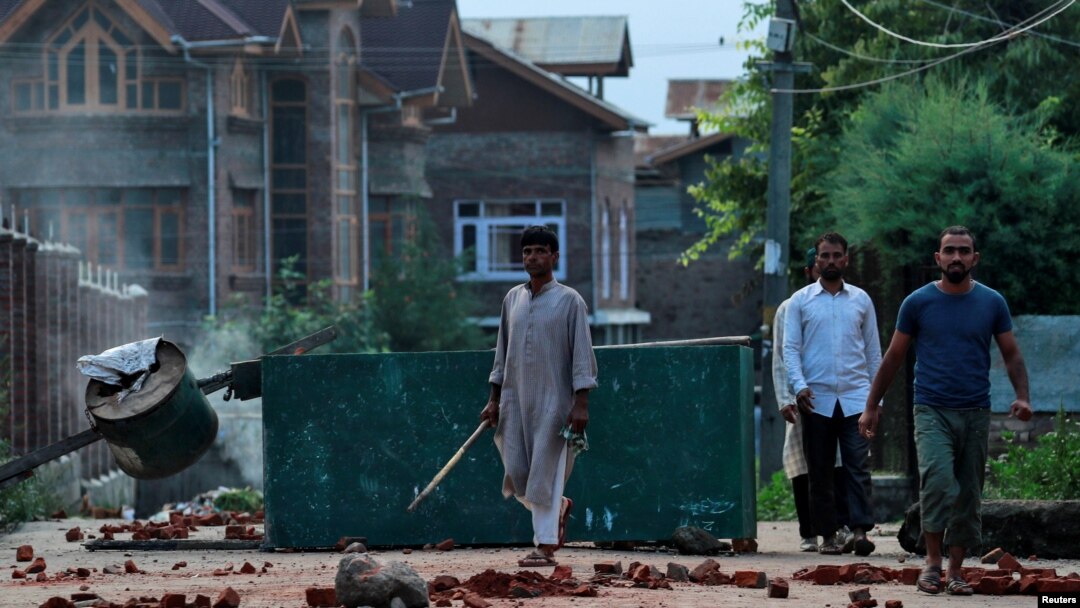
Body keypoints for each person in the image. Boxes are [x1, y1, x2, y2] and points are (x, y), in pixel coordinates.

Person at [859, 226, 1031, 596]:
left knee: (969, 491)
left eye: (964, 251)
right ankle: (932, 564)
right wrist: (871, 406)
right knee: (937, 481)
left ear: (975, 258)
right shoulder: (917, 302)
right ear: (937, 258)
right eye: (949, 251)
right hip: (931, 408)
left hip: (975, 410)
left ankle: (956, 570)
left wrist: (1023, 397)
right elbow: (893, 356)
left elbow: (1011, 354)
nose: (956, 257)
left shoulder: (992, 302)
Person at [480, 225, 598, 568]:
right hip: (515, 403)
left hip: (555, 403)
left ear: (554, 257)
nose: (533, 257)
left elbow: (582, 355)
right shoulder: (512, 299)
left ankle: (544, 546)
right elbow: (501, 353)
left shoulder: (570, 301)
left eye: (540, 251)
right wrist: (494, 398)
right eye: (527, 251)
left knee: (544, 472)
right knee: (518, 475)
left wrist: (581, 402)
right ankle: (556, 507)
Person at [783, 232, 881, 556]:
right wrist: (799, 387)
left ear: (846, 259)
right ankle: (827, 536)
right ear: (817, 260)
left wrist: (875, 402)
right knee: (820, 472)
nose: (830, 261)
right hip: (816, 400)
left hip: (855, 398)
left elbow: (873, 353)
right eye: (824, 256)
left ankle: (860, 531)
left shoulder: (861, 300)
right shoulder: (800, 301)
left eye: (836, 255)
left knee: (857, 466)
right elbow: (790, 349)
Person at [773, 247, 852, 552]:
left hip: (837, 393)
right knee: (801, 461)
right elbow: (781, 357)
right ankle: (809, 531)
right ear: (810, 270)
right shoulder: (791, 306)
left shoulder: (849, 301)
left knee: (837, 462)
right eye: (820, 269)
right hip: (803, 394)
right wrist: (786, 396)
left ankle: (839, 525)